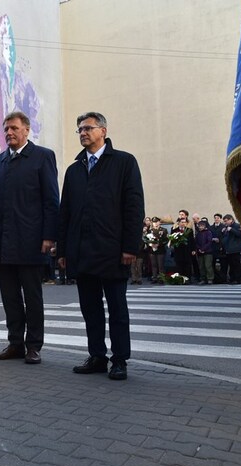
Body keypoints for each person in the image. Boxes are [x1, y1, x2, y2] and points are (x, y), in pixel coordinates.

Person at [58, 111, 144, 381]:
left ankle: (119, 359)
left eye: (88, 128)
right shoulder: (74, 170)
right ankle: (97, 355)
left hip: (113, 251)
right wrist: (62, 251)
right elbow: (66, 213)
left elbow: (133, 206)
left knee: (117, 309)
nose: (83, 133)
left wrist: (130, 246)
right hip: (82, 253)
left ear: (103, 131)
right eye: (80, 129)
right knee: (90, 309)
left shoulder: (124, 162)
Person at [0, 110, 59, 365]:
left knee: (32, 296)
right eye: (6, 129)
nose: (9, 133)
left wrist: (49, 235)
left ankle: (34, 345)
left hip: (31, 240)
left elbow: (51, 200)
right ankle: (15, 342)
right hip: (3, 242)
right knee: (10, 297)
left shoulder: (42, 157)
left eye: (14, 128)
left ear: (26, 130)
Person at [220, 214, 241, 284]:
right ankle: (232, 279)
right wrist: (223, 232)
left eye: (226, 221)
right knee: (231, 265)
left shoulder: (237, 226)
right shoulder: (227, 227)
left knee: (236, 265)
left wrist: (231, 230)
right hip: (229, 249)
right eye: (224, 221)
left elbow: (240, 234)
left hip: (235, 249)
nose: (225, 223)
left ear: (231, 219)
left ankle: (237, 279)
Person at [146, 217, 168, 283]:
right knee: (154, 265)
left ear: (159, 222)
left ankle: (161, 278)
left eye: (156, 222)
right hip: (152, 250)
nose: (155, 223)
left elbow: (166, 240)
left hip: (160, 250)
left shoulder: (163, 230)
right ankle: (154, 278)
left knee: (160, 265)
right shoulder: (150, 231)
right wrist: (150, 244)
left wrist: (159, 244)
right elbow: (147, 240)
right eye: (154, 222)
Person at [193, 219, 215, 284]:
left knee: (208, 265)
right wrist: (199, 249)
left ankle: (210, 278)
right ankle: (203, 278)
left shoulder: (208, 232)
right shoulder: (198, 234)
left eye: (202, 226)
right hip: (200, 252)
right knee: (201, 266)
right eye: (199, 226)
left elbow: (209, 242)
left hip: (208, 252)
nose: (200, 227)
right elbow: (196, 243)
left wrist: (203, 249)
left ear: (205, 226)